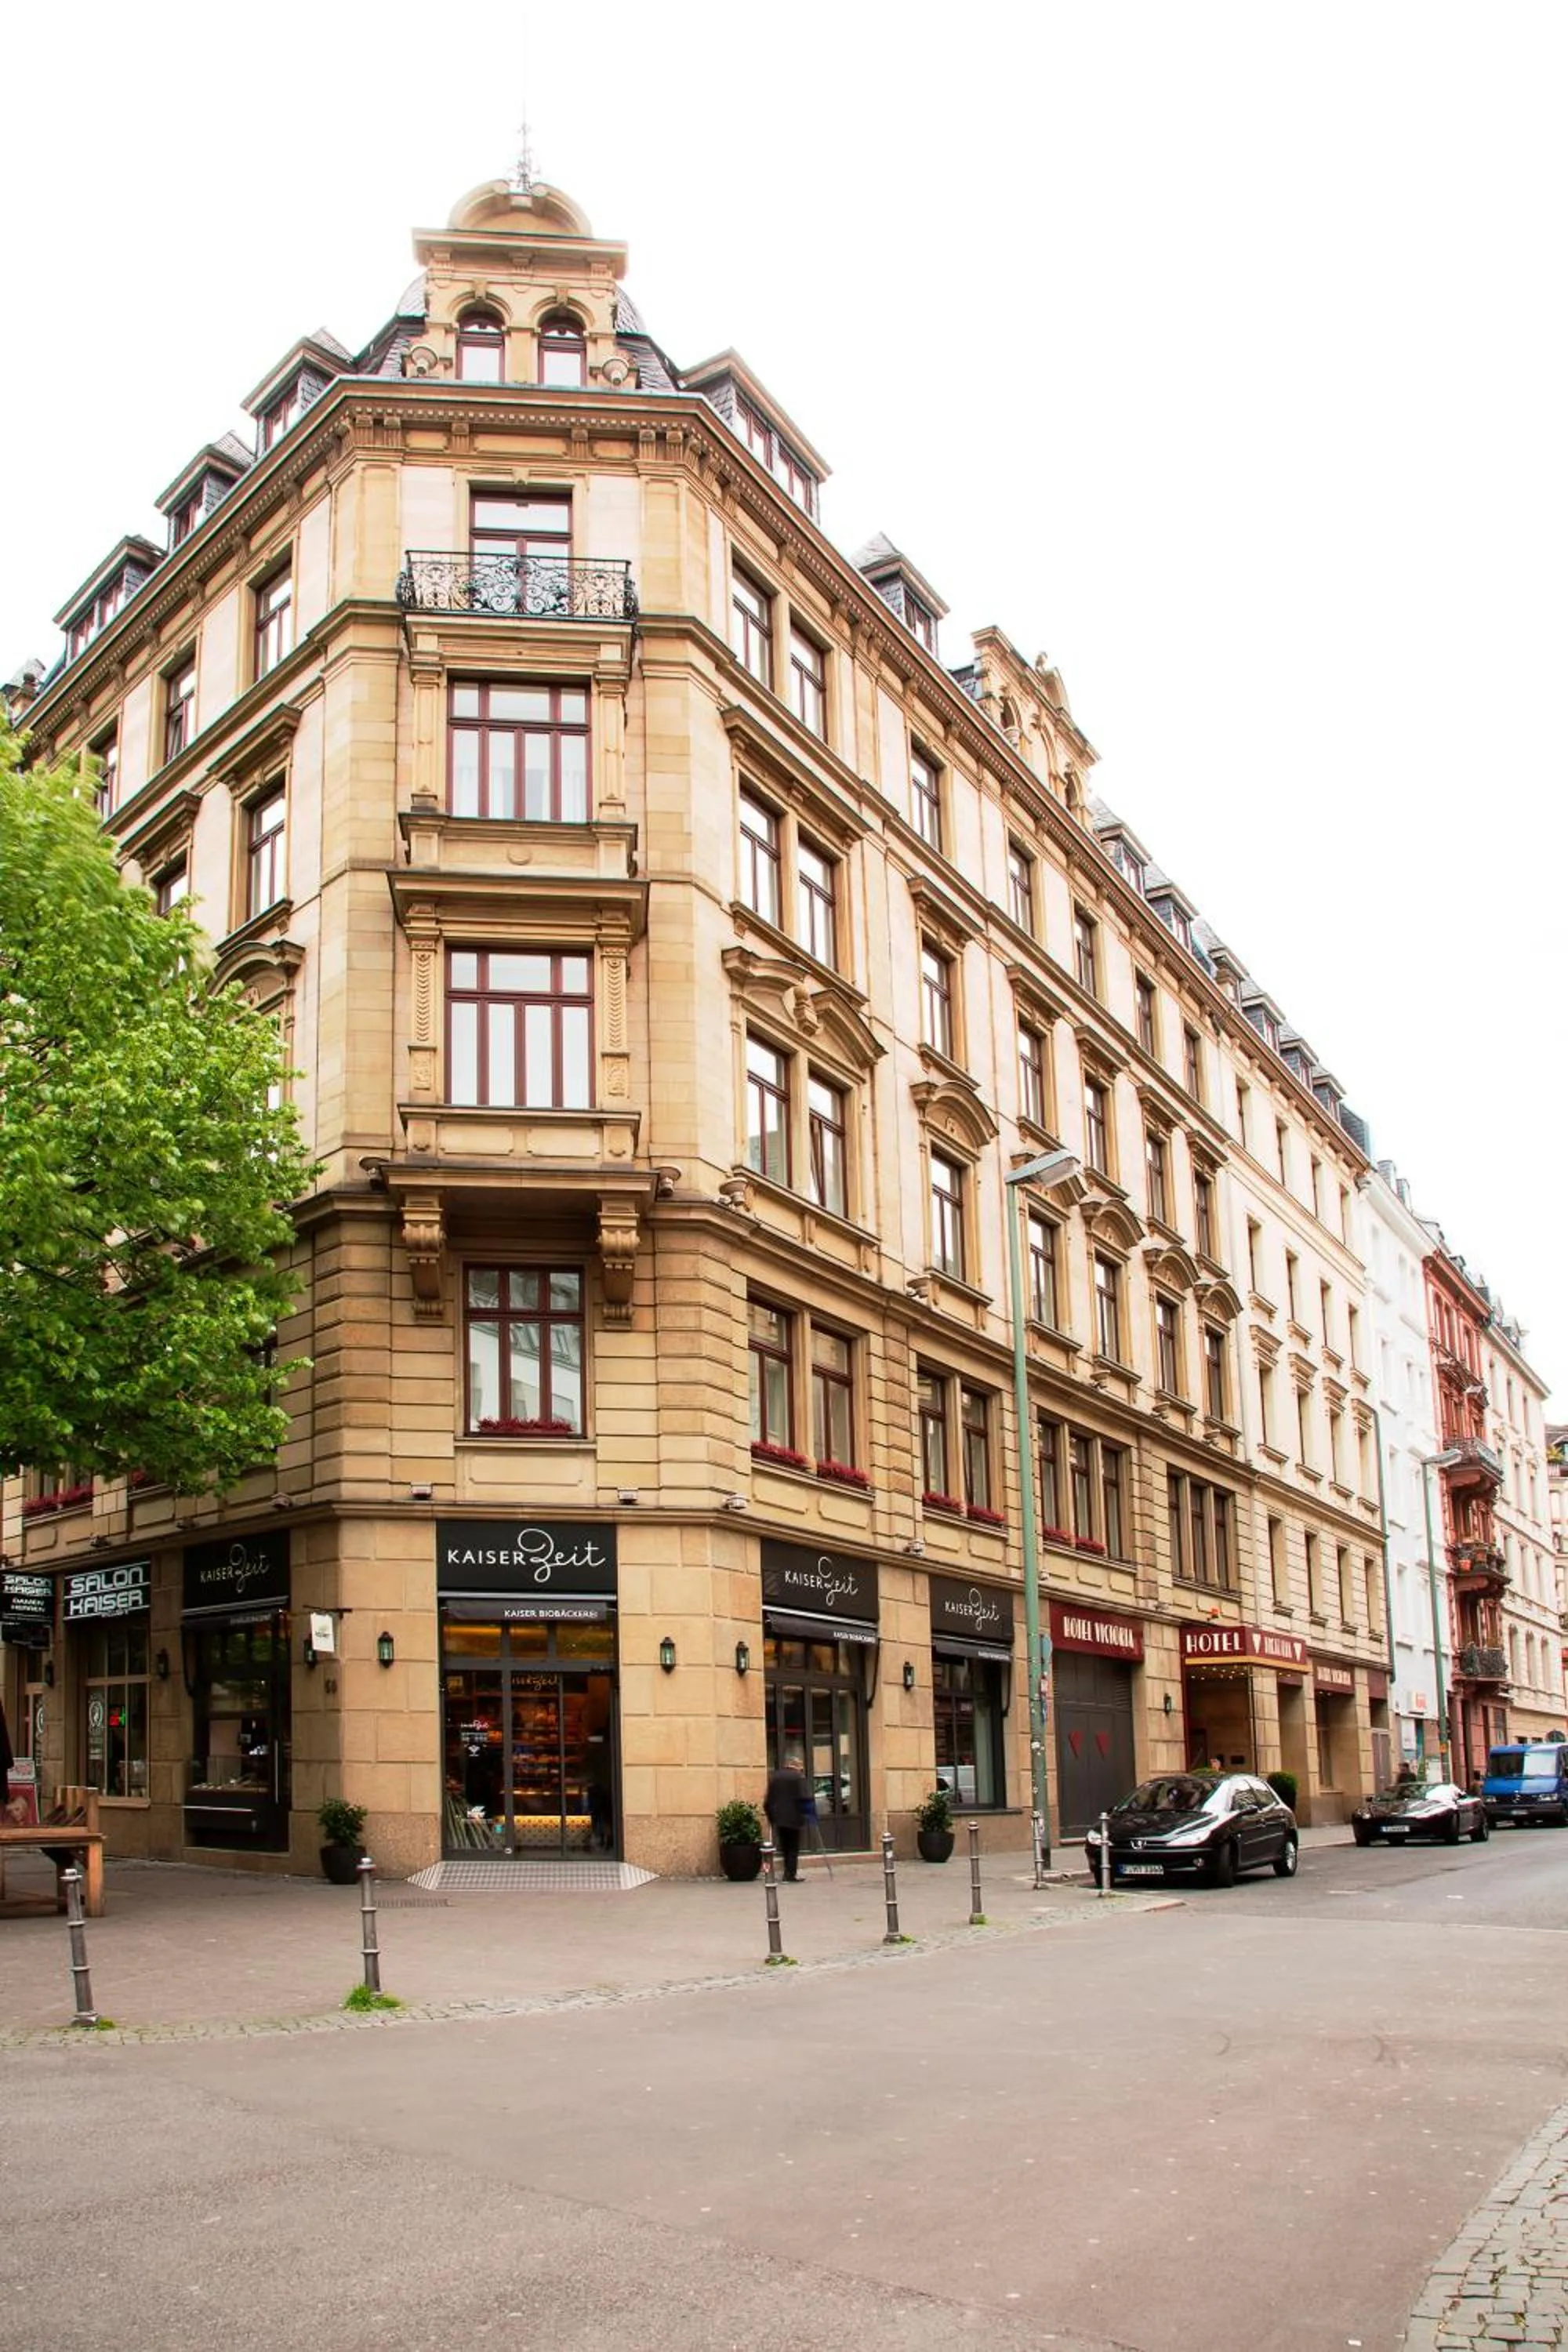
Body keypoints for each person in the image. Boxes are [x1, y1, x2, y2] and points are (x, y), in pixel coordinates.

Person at [764, 1750, 808, 1883]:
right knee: (793, 1847)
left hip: (779, 1819)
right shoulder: (798, 1777)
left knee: (785, 1846)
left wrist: (771, 1817)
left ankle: (787, 1873)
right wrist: (809, 1815)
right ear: (797, 1766)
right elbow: (804, 1797)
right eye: (801, 1768)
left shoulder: (775, 1776)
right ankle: (789, 1875)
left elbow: (768, 1800)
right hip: (794, 1818)